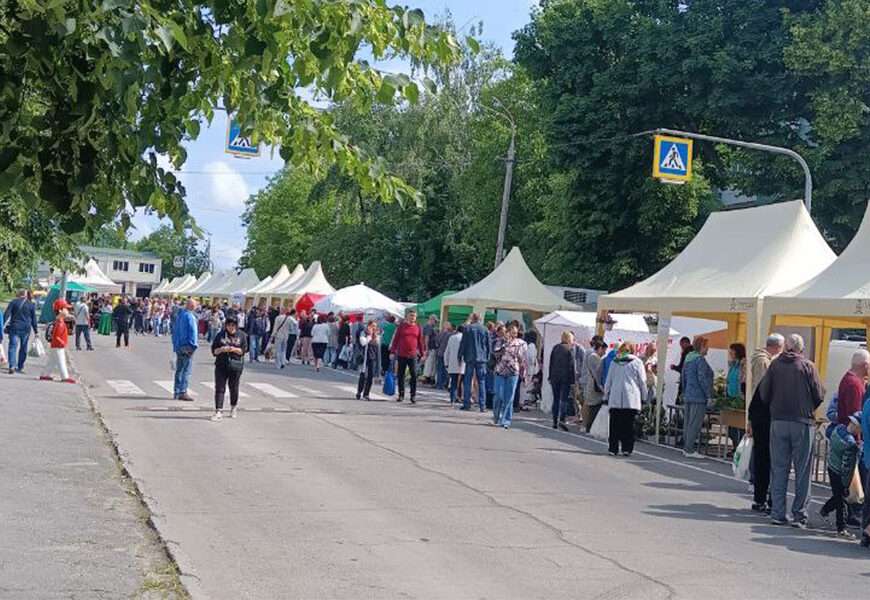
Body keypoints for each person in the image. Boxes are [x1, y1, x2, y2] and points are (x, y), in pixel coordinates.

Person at [758, 334, 824, 528]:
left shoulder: (775, 365)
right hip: (802, 421)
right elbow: (818, 394)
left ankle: (778, 513)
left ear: (786, 347)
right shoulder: (807, 366)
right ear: (801, 349)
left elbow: (764, 393)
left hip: (778, 421)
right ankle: (799, 515)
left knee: (779, 469)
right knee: (802, 470)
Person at [747, 333, 785, 511]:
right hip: (766, 414)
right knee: (768, 458)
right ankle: (764, 497)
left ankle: (759, 496)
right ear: (777, 347)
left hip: (758, 413)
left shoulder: (759, 359)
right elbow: (764, 389)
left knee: (762, 455)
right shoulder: (764, 363)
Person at [820, 412, 862, 538]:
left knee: (838, 496)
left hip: (831, 466)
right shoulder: (850, 444)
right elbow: (847, 465)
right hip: (840, 473)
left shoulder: (837, 430)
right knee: (842, 499)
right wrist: (847, 482)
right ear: (856, 427)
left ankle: (825, 509)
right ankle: (841, 528)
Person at [603, 342, 646, 456]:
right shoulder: (637, 362)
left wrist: (605, 395)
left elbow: (609, 380)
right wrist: (644, 397)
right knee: (628, 425)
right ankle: (627, 448)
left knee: (614, 424)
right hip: (630, 398)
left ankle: (613, 448)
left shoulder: (614, 362)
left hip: (615, 397)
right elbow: (642, 381)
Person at [209, 314, 248, 422]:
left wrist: (232, 349)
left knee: (234, 387)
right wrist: (222, 349)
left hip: (235, 365)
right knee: (220, 387)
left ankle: (233, 406)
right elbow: (214, 351)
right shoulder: (220, 335)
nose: (231, 327)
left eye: (233, 325)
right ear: (225, 325)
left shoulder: (242, 335)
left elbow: (243, 351)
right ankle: (218, 410)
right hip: (221, 364)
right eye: (229, 325)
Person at [682, 337, 714, 459]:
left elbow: (683, 377)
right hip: (698, 396)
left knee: (688, 423)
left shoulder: (688, 358)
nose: (708, 349)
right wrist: (709, 395)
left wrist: (685, 392)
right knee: (694, 424)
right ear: (702, 347)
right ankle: (689, 449)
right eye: (707, 346)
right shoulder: (700, 360)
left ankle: (686, 447)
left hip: (689, 394)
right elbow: (702, 378)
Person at [492, 323, 528, 429]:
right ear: (507, 332)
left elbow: (523, 360)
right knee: (499, 395)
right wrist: (504, 344)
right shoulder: (500, 341)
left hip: (513, 372)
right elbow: (495, 353)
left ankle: (506, 420)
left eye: (516, 333)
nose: (514, 335)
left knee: (509, 397)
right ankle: (496, 415)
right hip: (500, 371)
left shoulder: (521, 344)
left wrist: (524, 374)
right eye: (512, 332)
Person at [390, 309, 424, 403]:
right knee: (401, 375)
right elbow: (396, 339)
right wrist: (392, 352)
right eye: (411, 315)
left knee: (413, 375)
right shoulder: (402, 326)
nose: (412, 317)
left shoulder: (418, 327)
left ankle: (413, 396)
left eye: (414, 316)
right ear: (407, 316)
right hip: (401, 354)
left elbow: (420, 341)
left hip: (412, 355)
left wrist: (422, 353)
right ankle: (401, 394)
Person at [458, 313, 490, 412]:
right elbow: (488, 345)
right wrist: (487, 357)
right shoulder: (484, 329)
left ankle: (467, 403)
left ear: (472, 318)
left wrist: (459, 355)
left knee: (468, 380)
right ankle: (482, 405)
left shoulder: (467, 328)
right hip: (481, 359)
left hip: (470, 358)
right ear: (480, 319)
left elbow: (463, 343)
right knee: (481, 381)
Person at [39, 301, 75, 383]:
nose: (67, 311)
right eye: (65, 309)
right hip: (58, 345)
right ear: (60, 310)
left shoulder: (59, 321)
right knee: (61, 361)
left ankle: (45, 374)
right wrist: (62, 343)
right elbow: (57, 336)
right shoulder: (60, 323)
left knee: (52, 361)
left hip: (55, 345)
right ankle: (65, 376)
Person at [3, 289, 38, 374]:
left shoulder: (14, 302)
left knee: (12, 347)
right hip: (26, 329)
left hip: (14, 327)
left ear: (19, 294)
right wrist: (36, 331)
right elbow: (34, 319)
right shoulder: (31, 305)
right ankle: (20, 366)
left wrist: (2, 324)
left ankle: (12, 365)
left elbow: (7, 314)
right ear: (26, 295)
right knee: (23, 347)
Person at [171, 298, 199, 401]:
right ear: (192, 306)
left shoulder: (180, 315)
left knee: (179, 370)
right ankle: (183, 391)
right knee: (186, 370)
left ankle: (177, 391)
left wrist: (175, 345)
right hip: (187, 346)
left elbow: (175, 331)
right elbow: (193, 333)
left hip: (179, 346)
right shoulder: (190, 317)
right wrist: (193, 346)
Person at [549, 330, 576, 431]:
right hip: (565, 378)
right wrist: (573, 380)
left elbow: (551, 363)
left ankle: (555, 421)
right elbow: (571, 366)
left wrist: (550, 376)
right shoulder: (569, 349)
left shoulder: (555, 348)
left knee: (555, 399)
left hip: (555, 377)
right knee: (563, 399)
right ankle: (562, 419)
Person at [836, 350, 869, 426]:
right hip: (851, 433)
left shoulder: (848, 379)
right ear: (866, 366)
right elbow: (855, 418)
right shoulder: (854, 385)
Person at [583, 339, 607, 432]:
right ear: (600, 348)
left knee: (594, 407)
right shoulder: (594, 357)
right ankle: (589, 428)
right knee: (594, 407)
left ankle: (590, 427)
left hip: (593, 385)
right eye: (604, 350)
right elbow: (597, 374)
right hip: (594, 386)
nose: (604, 353)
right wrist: (601, 387)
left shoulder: (594, 357)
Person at [355, 320, 380, 400]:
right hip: (365, 357)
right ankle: (359, 392)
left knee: (370, 376)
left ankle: (366, 394)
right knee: (363, 375)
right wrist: (369, 336)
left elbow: (377, 347)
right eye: (372, 325)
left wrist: (375, 337)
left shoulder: (377, 335)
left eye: (375, 326)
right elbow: (363, 343)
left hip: (373, 358)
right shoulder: (364, 332)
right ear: (368, 325)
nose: (374, 327)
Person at [445, 325, 465, 405]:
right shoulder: (465, 338)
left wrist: (446, 363)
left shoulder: (452, 338)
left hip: (452, 364)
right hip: (463, 364)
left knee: (453, 382)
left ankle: (452, 399)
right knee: (462, 382)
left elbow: (447, 351)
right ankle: (460, 397)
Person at [434, 322, 453, 390]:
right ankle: (444, 384)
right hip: (447, 354)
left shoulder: (441, 333)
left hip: (440, 353)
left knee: (439, 369)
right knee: (445, 370)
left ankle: (439, 384)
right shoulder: (451, 334)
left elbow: (437, 342)